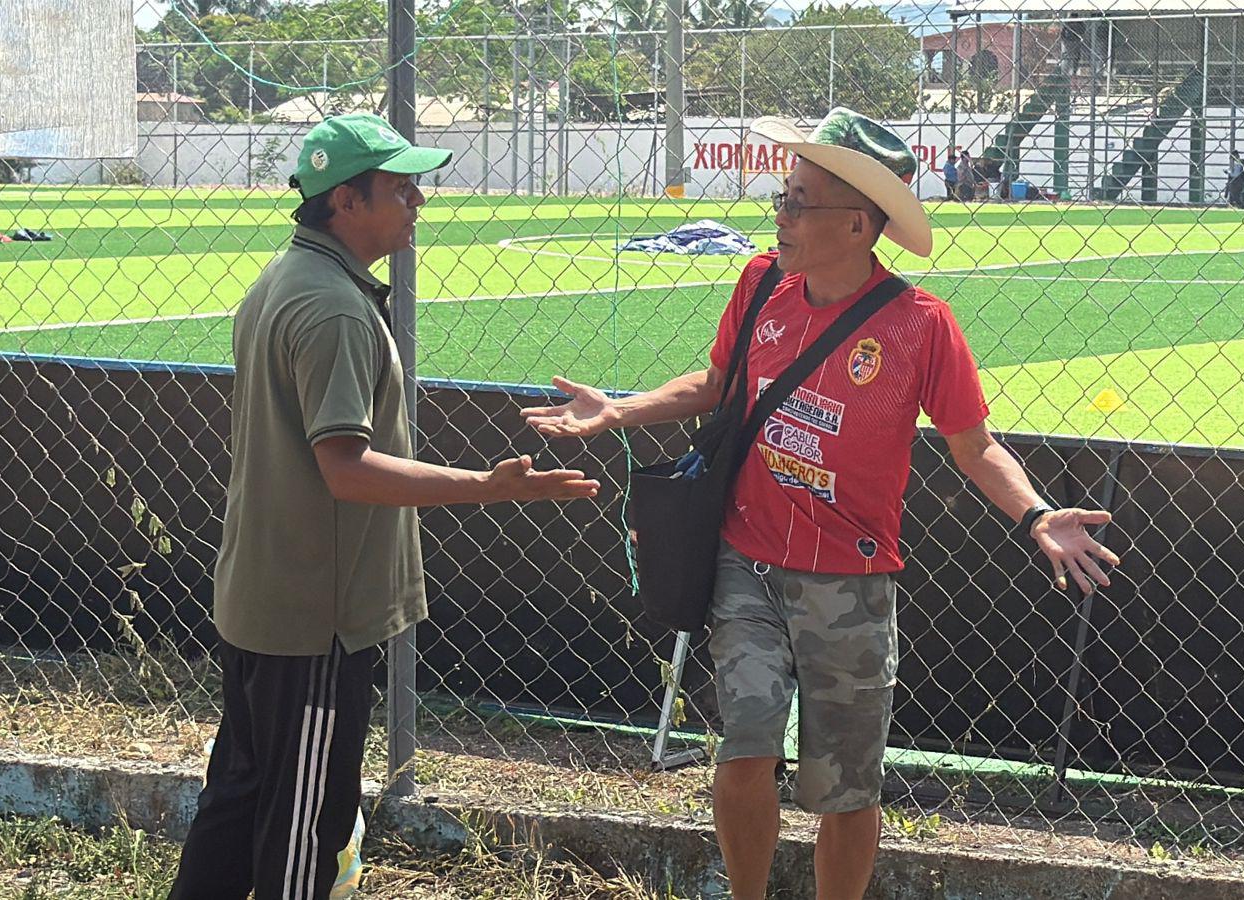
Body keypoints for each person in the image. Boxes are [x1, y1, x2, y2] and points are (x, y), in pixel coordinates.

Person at [522, 108, 1119, 900]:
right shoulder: (760, 282)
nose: (780, 215)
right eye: (783, 195)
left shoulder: (920, 325)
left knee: (847, 789)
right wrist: (621, 410)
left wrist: (1036, 515)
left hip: (850, 581)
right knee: (745, 746)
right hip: (747, 563)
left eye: (799, 202)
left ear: (858, 225)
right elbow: (716, 384)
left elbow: (975, 447)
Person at [167, 113, 600, 900]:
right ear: (344, 202)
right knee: (307, 822)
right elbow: (348, 470)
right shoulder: (332, 307)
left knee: (238, 799)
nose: (417, 203)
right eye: (400, 189)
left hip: (266, 595)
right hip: (315, 615)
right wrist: (488, 486)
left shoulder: (288, 279)